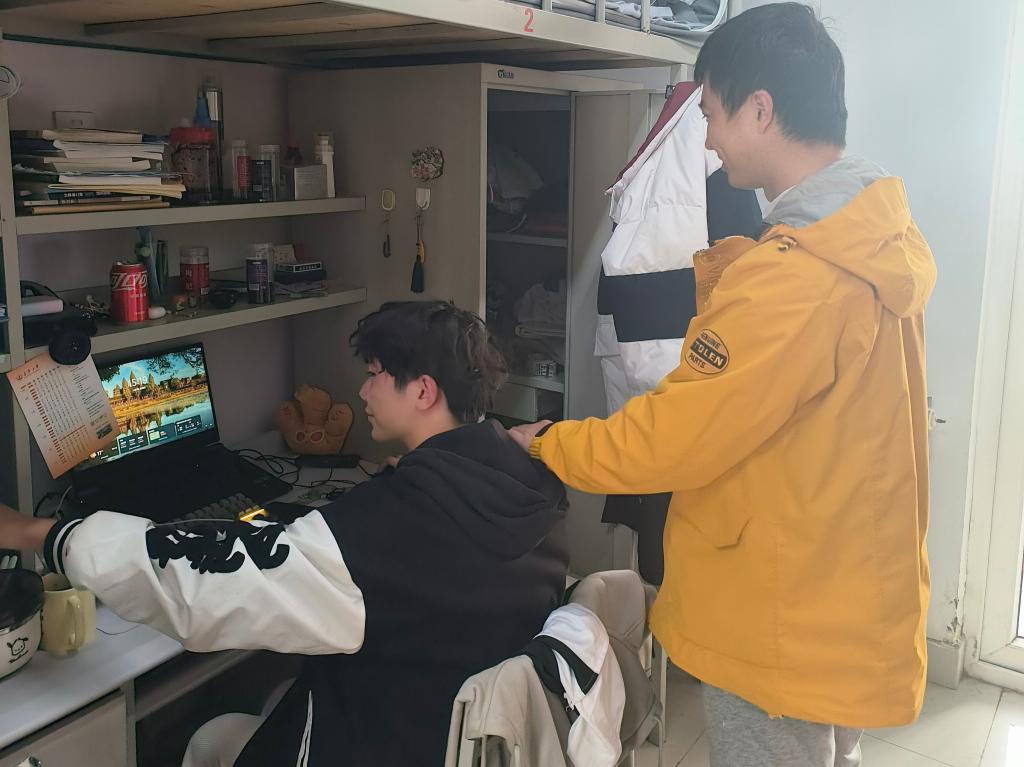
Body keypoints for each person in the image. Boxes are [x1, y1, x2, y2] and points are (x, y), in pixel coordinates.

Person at [509, 5, 937, 767]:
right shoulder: (869, 240)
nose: (706, 138)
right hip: (840, 590)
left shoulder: (794, 279)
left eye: (710, 113)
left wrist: (549, 443)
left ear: (760, 110)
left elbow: (671, 439)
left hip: (777, 612)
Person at [0, 301, 568, 767]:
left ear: (422, 392)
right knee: (277, 693)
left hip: (380, 742)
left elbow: (203, 586)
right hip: (447, 731)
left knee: (213, 737)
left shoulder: (389, 529)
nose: (363, 393)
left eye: (374, 375)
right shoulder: (529, 485)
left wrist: (39, 533)